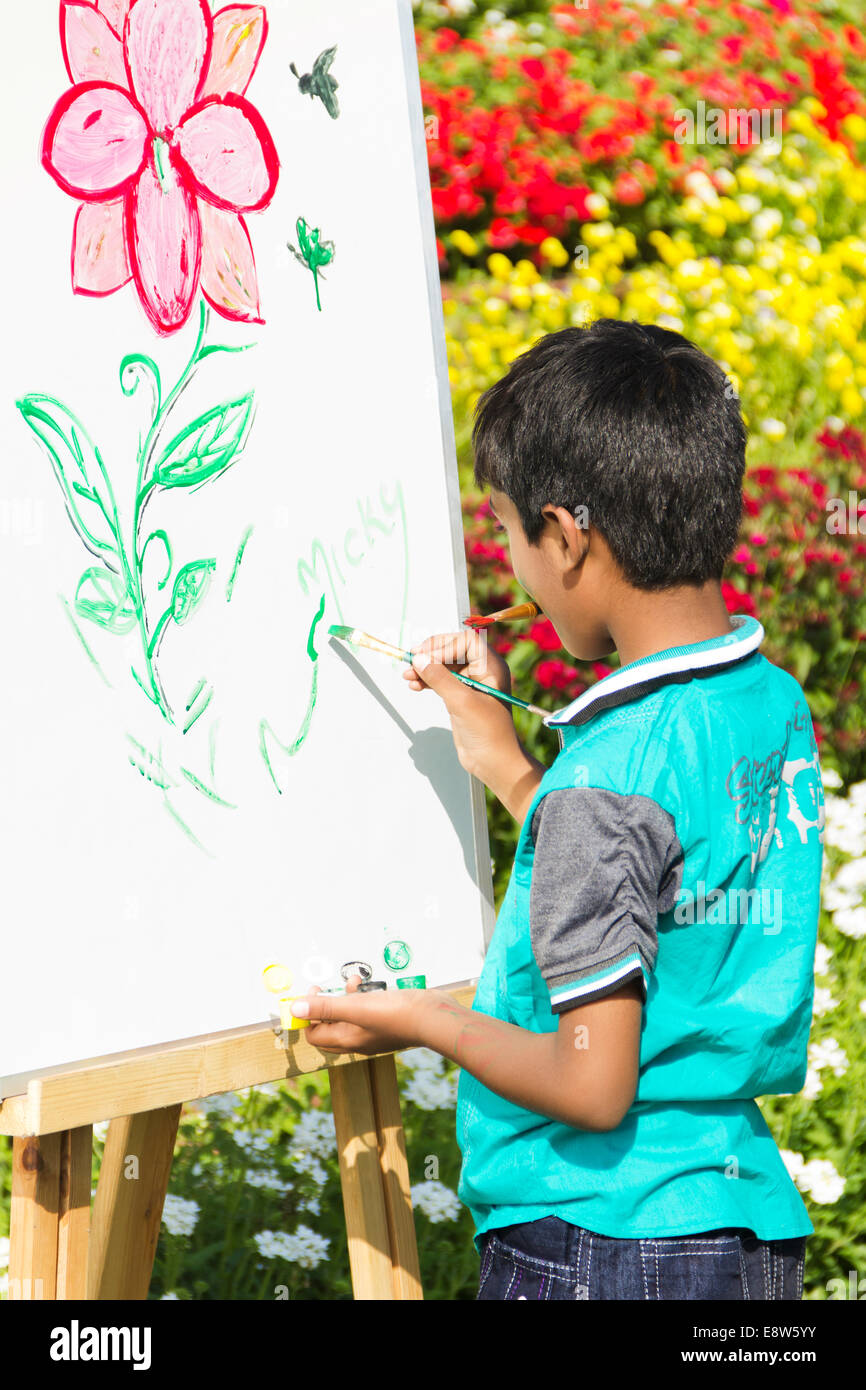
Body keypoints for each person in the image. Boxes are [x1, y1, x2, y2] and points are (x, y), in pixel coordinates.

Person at [290, 319, 824, 1300]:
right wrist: (506, 766)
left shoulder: (603, 783)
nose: (509, 567)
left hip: (598, 1241)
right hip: (738, 1232)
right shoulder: (765, 702)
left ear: (567, 535)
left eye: (504, 530)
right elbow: (665, 871)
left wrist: (427, 1020)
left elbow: (590, 1084)